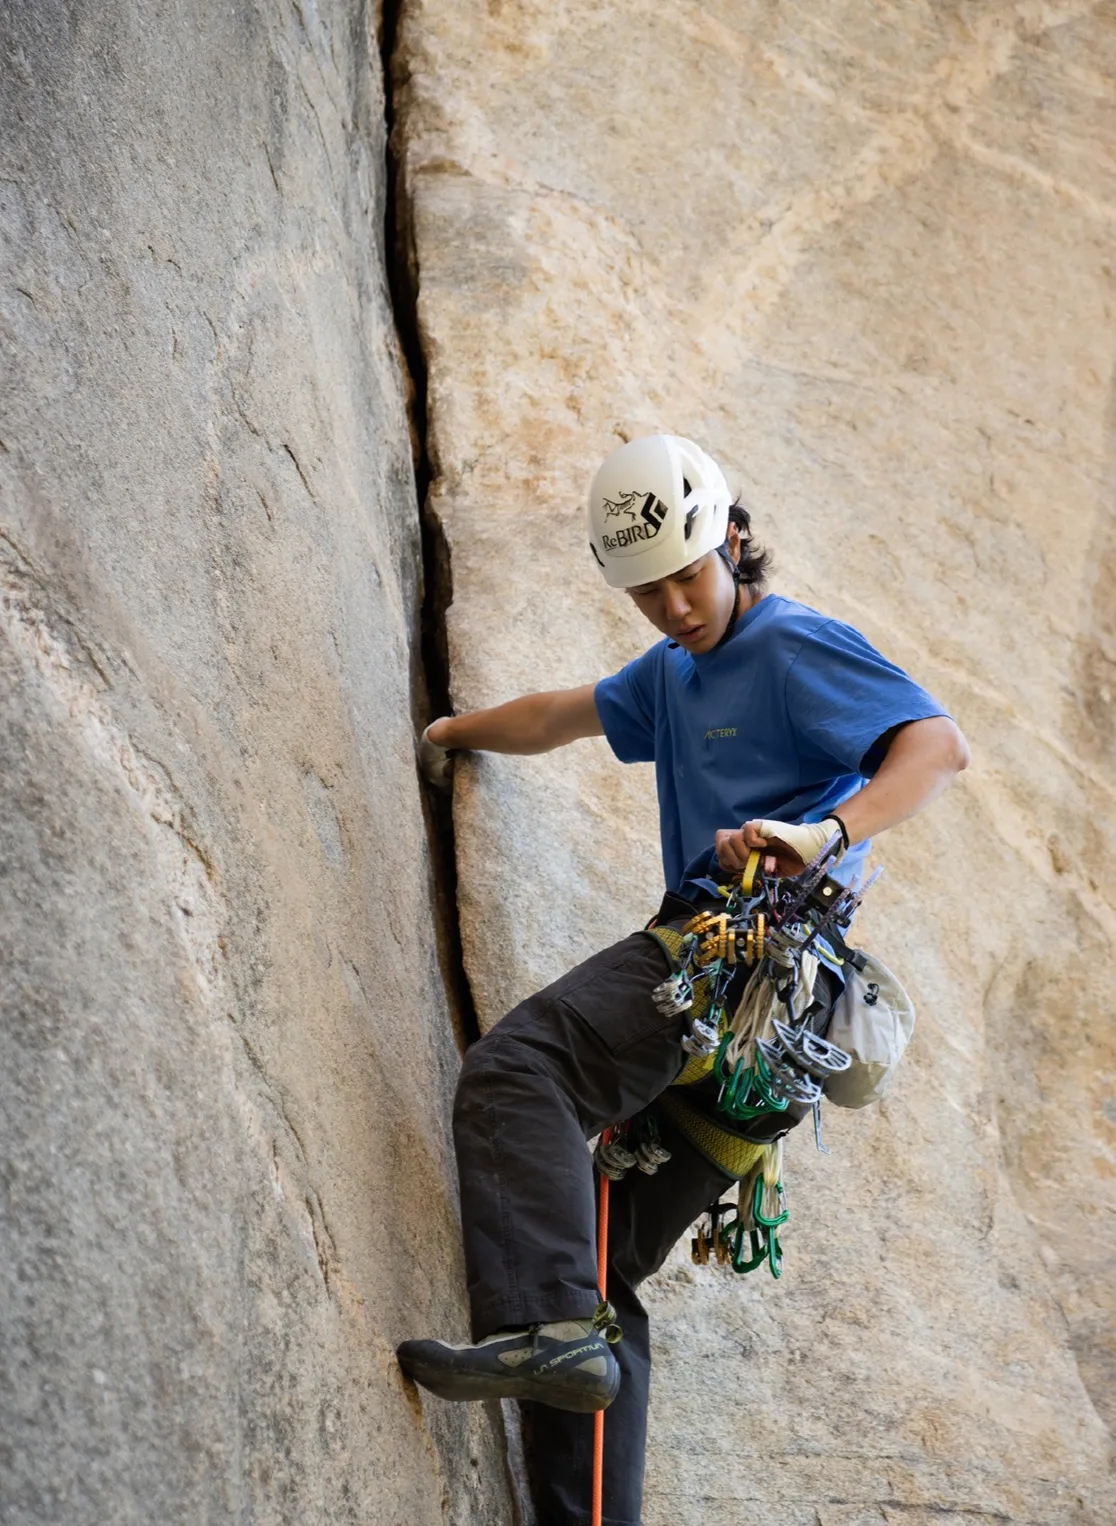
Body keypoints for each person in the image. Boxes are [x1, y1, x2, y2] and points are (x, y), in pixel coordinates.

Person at [397, 434, 969, 1525]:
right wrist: (449, 730)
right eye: (648, 590)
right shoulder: (672, 672)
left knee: (524, 1069)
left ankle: (548, 1326)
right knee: (597, 1263)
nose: (672, 605)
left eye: (688, 576)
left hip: (747, 951)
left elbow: (937, 743)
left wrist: (824, 829)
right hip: (762, 1046)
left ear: (734, 542)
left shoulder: (793, 644)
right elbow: (563, 714)